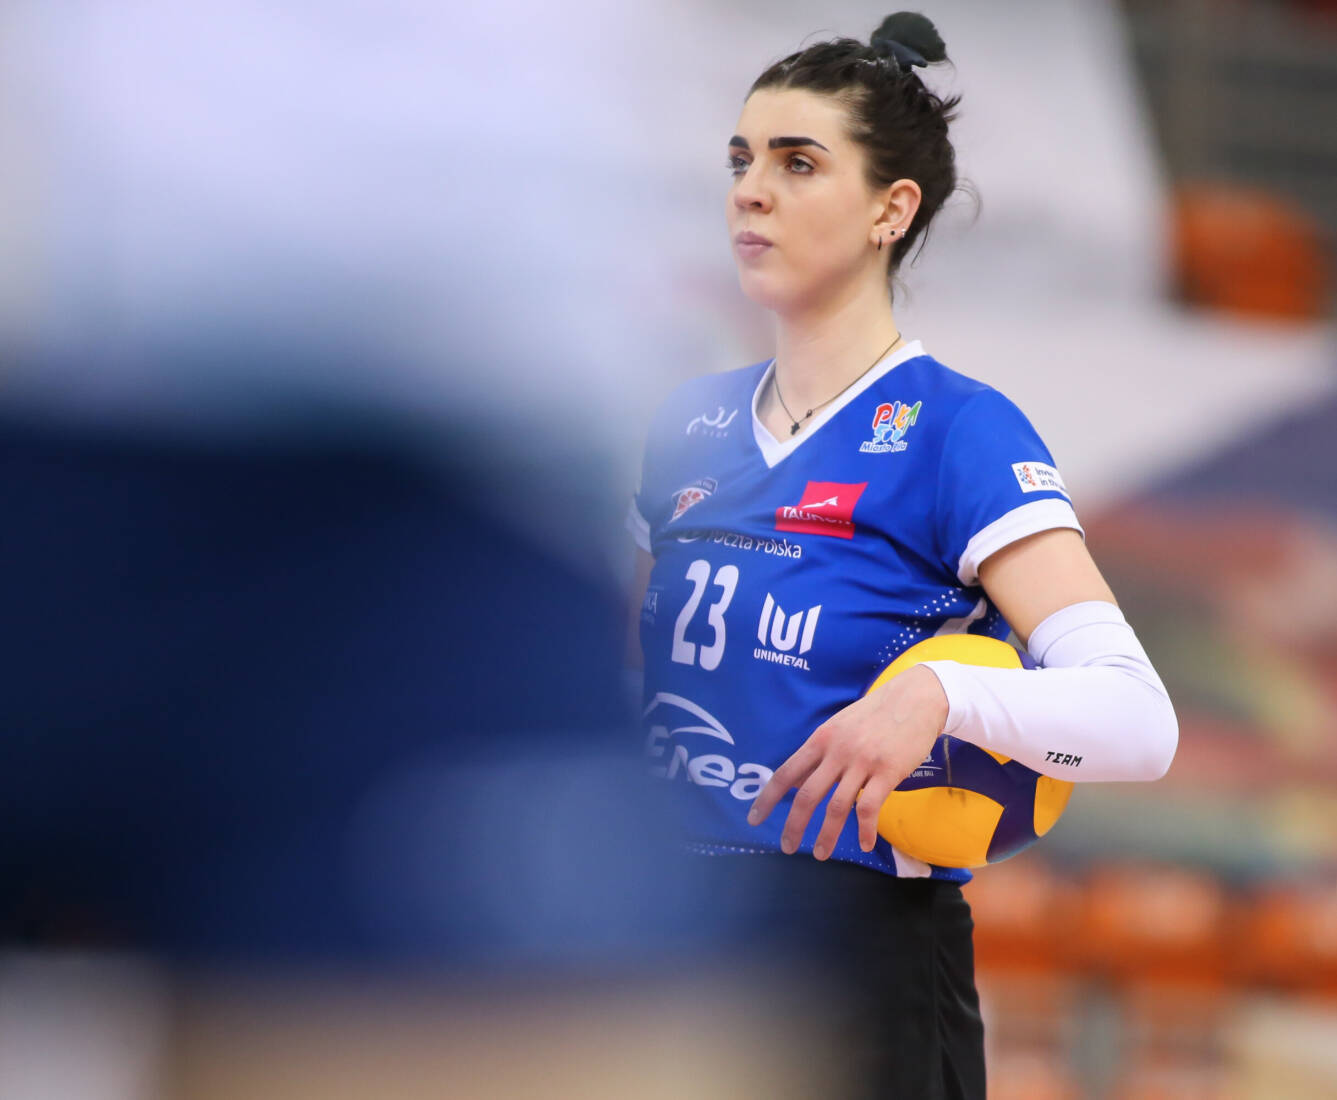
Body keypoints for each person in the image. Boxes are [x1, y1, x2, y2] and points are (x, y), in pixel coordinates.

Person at [624, 12, 1179, 1100]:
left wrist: (937, 695)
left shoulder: (957, 431)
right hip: (670, 946)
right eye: (740, 161)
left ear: (891, 208)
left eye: (796, 163)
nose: (750, 192)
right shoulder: (682, 423)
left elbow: (1139, 722)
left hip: (859, 958)